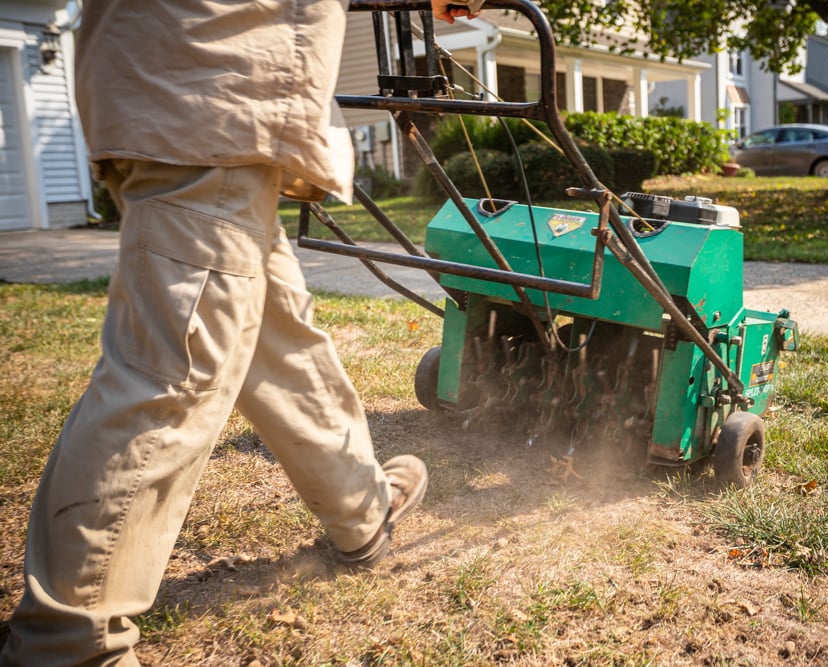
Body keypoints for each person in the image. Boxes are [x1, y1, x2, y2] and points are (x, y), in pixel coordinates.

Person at [0, 1, 479, 665]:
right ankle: (69, 642)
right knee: (173, 373)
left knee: (274, 336)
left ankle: (362, 514)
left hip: (186, 84)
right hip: (205, 83)